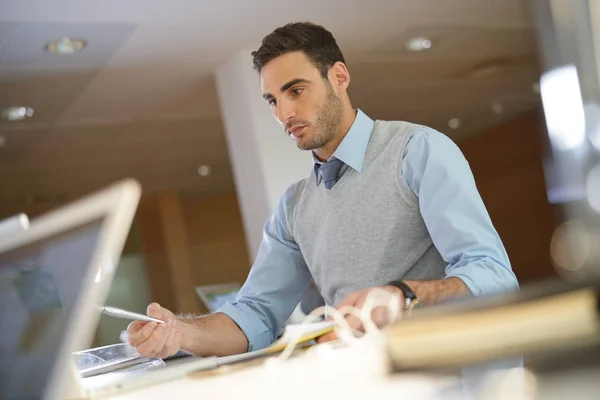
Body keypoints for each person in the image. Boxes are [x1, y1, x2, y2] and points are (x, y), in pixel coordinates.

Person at [127, 22, 519, 358]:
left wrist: (403, 296)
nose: (283, 114)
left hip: (453, 374)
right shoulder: (294, 207)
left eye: (295, 91)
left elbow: (494, 277)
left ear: (339, 78)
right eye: (272, 100)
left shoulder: (417, 151)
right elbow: (257, 313)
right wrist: (180, 332)